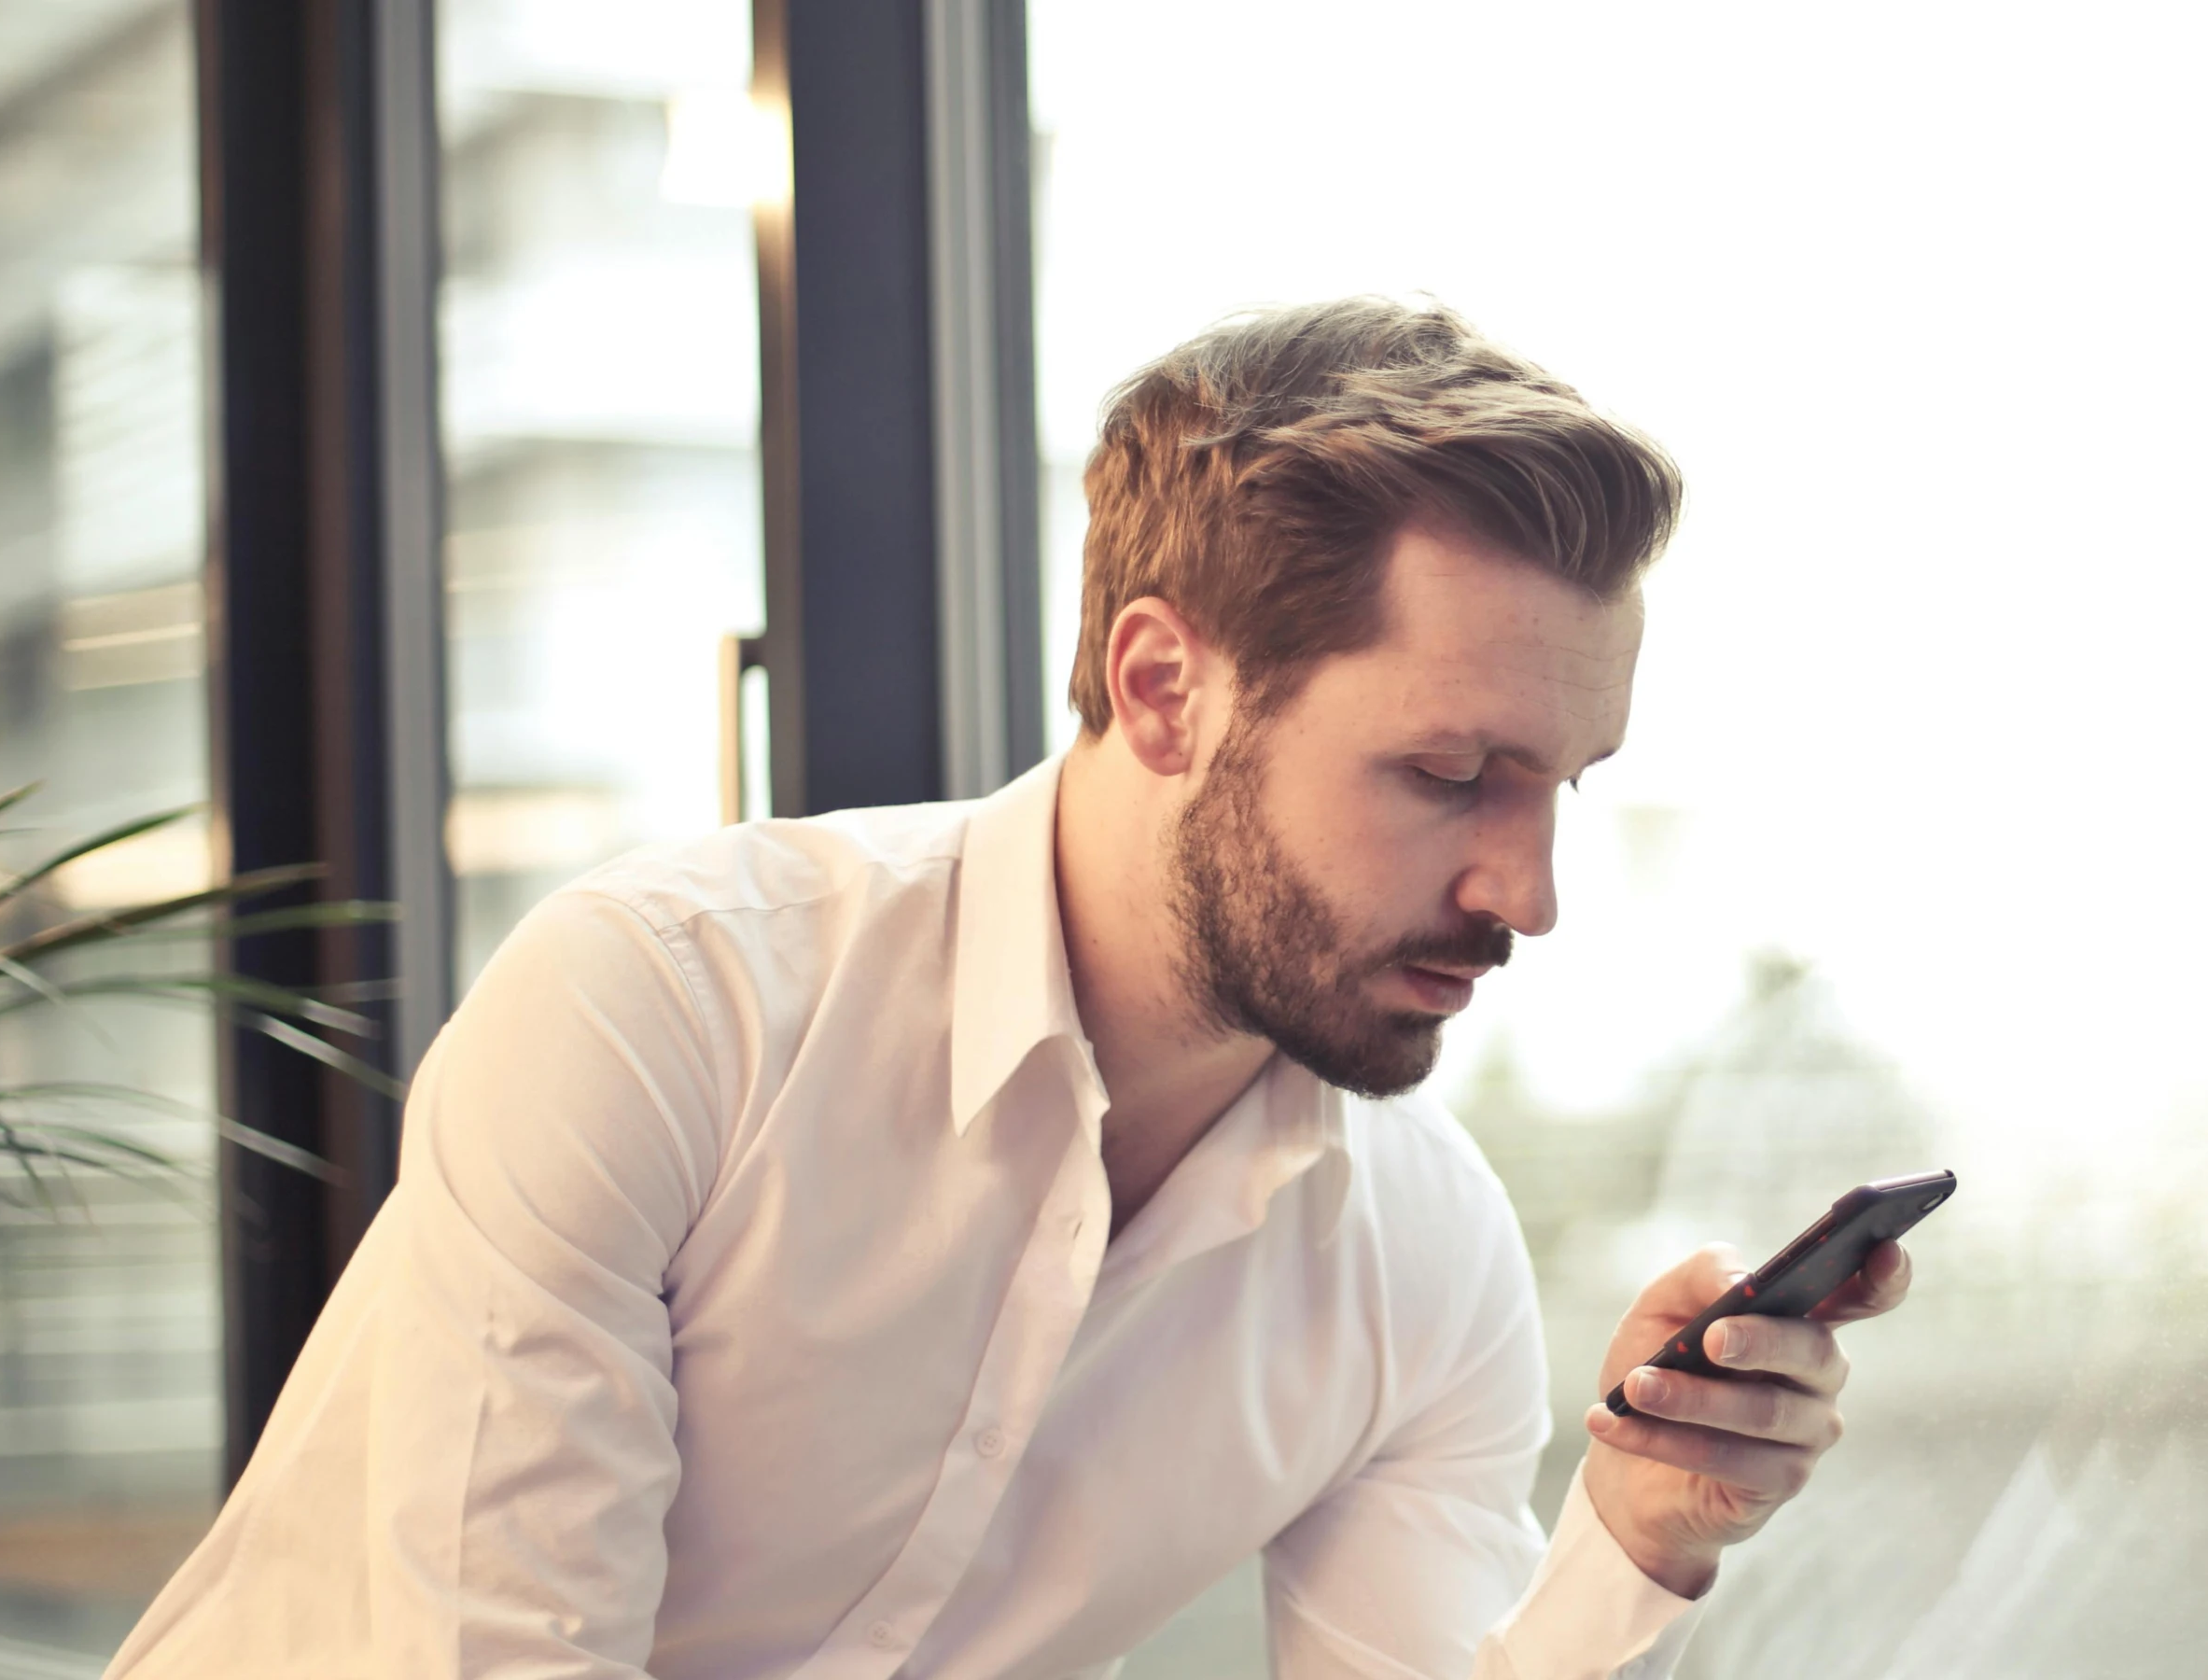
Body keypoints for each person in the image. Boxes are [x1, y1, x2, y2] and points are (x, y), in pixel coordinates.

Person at [109, 298, 1914, 1679]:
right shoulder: (661, 1014)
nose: (1528, 892)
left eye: (1562, 786)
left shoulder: (1420, 1258)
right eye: (1449, 775)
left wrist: (1640, 1536)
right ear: (1163, 689)